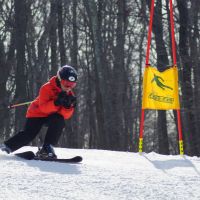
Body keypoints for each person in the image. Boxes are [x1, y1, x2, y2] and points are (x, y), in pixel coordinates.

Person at [0, 65, 77, 158]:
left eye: (72, 84)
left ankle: (47, 147)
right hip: (36, 114)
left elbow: (65, 116)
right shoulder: (46, 88)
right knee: (29, 135)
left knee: (59, 120)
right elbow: (43, 108)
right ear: (59, 79)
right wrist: (56, 102)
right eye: (66, 83)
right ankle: (6, 148)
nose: (69, 87)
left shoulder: (70, 94)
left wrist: (67, 107)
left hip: (51, 116)